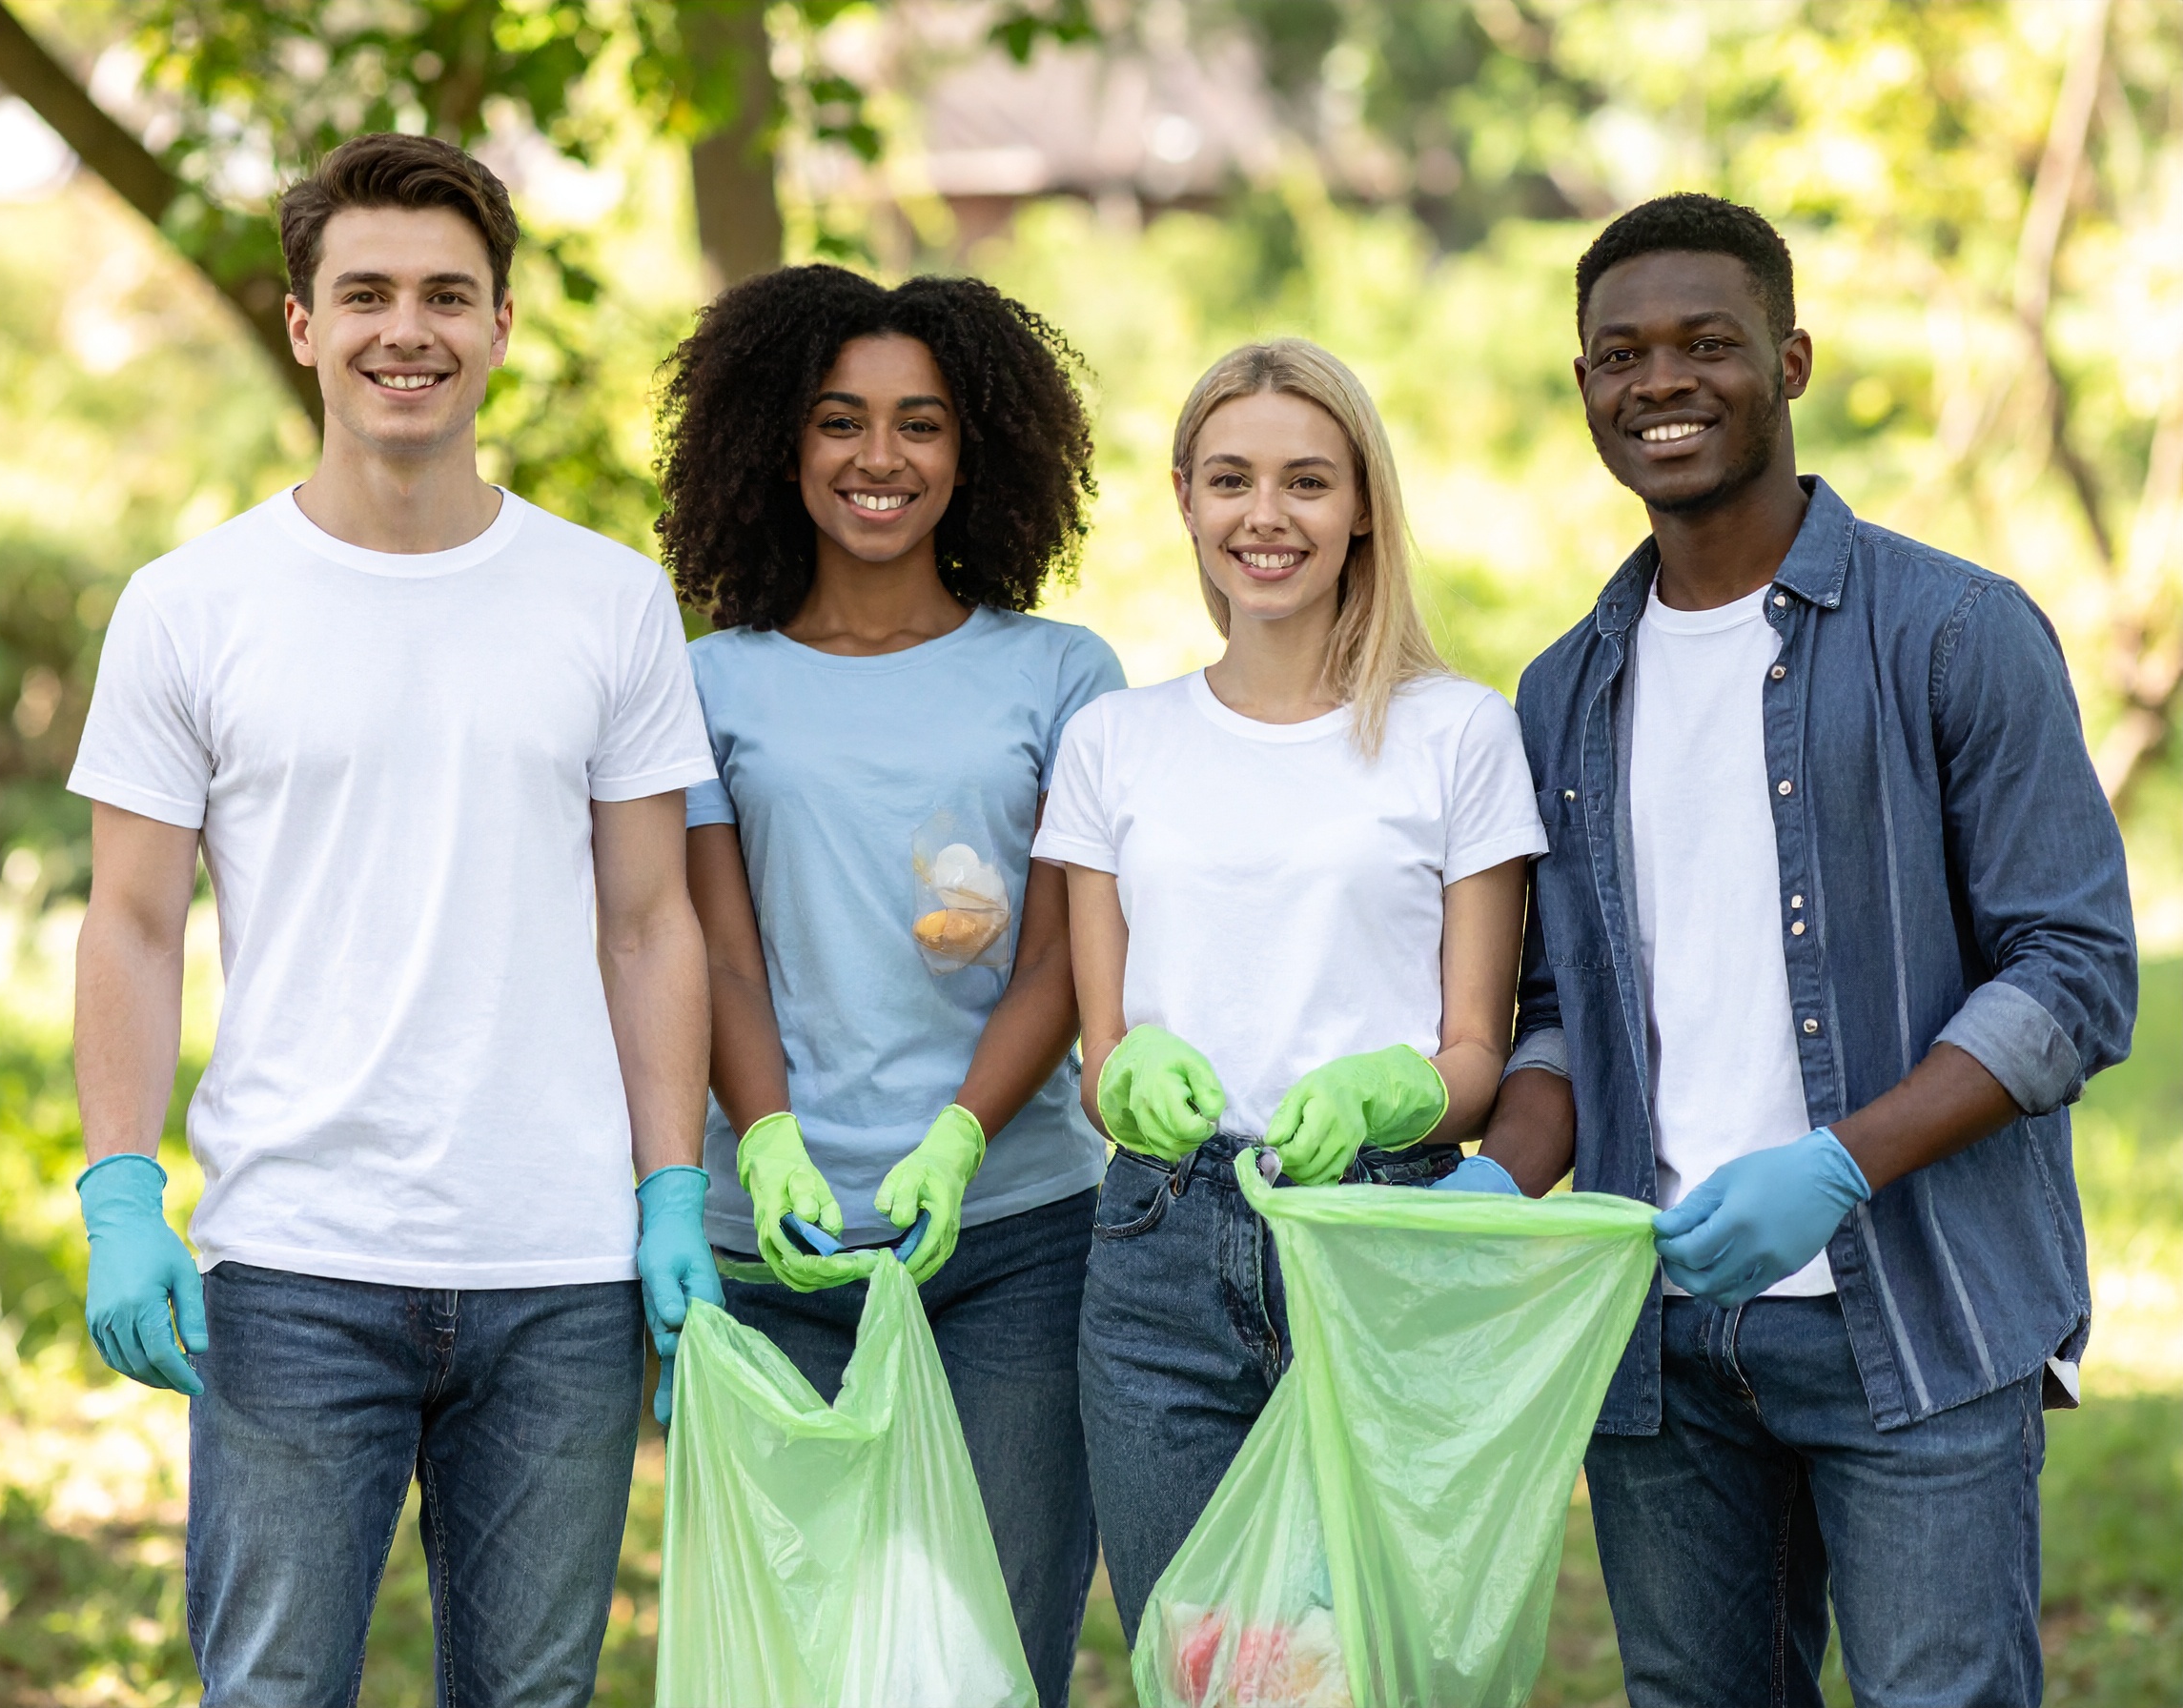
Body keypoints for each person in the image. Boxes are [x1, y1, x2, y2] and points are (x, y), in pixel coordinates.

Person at [66, 133, 722, 1707]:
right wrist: (117, 1187)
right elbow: (133, 925)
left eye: (446, 295)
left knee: (531, 1697)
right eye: (363, 295)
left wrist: (672, 1194)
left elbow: (651, 924)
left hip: (563, 1272)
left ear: (501, 325)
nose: (403, 331)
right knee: (274, 1692)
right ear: (302, 325)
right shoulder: (191, 605)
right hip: (296, 1261)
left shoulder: (608, 600)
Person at [1477, 193, 2136, 1707]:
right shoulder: (1562, 691)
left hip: (1915, 1313)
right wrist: (1486, 1185)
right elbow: (1566, 1009)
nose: (1662, 384)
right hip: (1662, 1335)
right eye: (1619, 355)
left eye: (1709, 344)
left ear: (1793, 362)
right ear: (1581, 385)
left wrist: (1836, 1163)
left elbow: (2073, 972)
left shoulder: (1955, 634)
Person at [652, 263, 1122, 1708]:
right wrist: (770, 1133)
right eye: (840, 421)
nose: (879, 459)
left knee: (990, 1655)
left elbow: (1060, 955)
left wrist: (963, 1134)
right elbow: (717, 950)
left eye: (920, 425)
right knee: (796, 1669)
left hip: (1015, 1243)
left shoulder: (1059, 673)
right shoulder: (708, 682)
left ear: (975, 450)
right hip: (767, 1247)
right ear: (777, 444)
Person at [1033, 338, 1547, 1639]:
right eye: (1231, 481)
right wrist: (1126, 1079)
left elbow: (1477, 1056)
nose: (1266, 517)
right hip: (1159, 1251)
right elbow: (1102, 1059)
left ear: (1364, 502)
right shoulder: (1114, 746)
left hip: (1379, 1241)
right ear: (1187, 500)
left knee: (1368, 1652)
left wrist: (1401, 1091)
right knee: (1202, 1657)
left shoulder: (1459, 734)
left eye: (1308, 482)